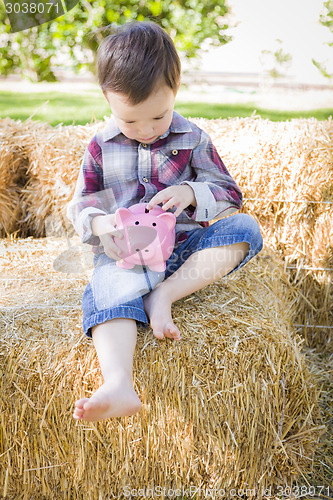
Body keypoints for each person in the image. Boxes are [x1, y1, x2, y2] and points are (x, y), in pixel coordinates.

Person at [67, 21, 263, 422]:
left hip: (185, 251)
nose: (146, 131)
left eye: (158, 117)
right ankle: (119, 382)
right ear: (107, 100)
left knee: (245, 229)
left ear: (176, 89)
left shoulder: (193, 138)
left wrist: (192, 192)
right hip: (127, 256)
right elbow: (81, 206)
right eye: (130, 122)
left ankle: (164, 295)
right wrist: (103, 227)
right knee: (108, 293)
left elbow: (229, 193)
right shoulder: (99, 148)